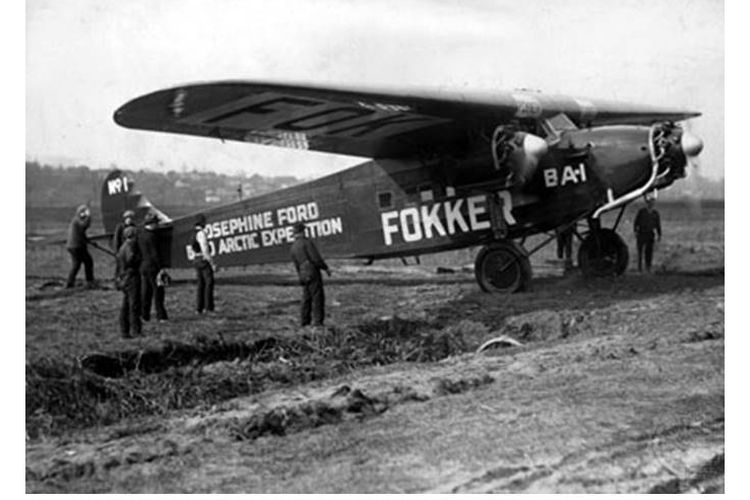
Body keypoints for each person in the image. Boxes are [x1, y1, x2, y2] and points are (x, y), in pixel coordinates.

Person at [290, 222, 331, 327]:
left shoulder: (293, 246)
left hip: (302, 273)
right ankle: (318, 322)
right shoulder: (307, 243)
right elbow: (315, 258)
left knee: (306, 298)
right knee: (317, 297)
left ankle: (304, 321)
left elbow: (296, 264)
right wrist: (325, 268)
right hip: (312, 271)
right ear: (302, 231)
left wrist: (300, 276)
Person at [138, 213, 168, 322]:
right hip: (153, 267)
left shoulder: (141, 235)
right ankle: (161, 316)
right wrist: (161, 268)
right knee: (158, 292)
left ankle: (144, 315)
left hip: (144, 266)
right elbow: (155, 254)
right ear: (152, 224)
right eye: (156, 223)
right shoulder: (152, 236)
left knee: (146, 292)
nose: (158, 225)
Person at [115, 226, 142, 338]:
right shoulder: (130, 246)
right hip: (131, 277)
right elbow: (131, 259)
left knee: (126, 305)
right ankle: (135, 330)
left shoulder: (122, 247)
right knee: (134, 305)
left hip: (124, 277)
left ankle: (124, 330)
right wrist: (138, 259)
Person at [65, 204, 95, 288]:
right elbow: (84, 226)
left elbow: (81, 233)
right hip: (77, 246)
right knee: (87, 262)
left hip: (74, 246)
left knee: (77, 264)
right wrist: (88, 217)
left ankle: (70, 283)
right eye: (84, 213)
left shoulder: (76, 220)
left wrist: (88, 241)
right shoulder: (77, 220)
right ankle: (89, 282)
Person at [190, 214, 215, 314]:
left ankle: (199, 308)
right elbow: (205, 249)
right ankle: (208, 307)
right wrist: (212, 263)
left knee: (200, 284)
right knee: (209, 283)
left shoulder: (193, 234)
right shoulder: (201, 234)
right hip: (203, 259)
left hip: (196, 259)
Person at [633, 196, 662, 273]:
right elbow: (636, 222)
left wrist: (659, 235)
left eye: (652, 203)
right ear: (647, 203)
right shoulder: (642, 212)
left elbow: (658, 225)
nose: (651, 204)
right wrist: (635, 231)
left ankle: (648, 267)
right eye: (650, 202)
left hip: (650, 234)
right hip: (641, 233)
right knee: (640, 252)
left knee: (649, 252)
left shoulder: (655, 214)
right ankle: (639, 268)